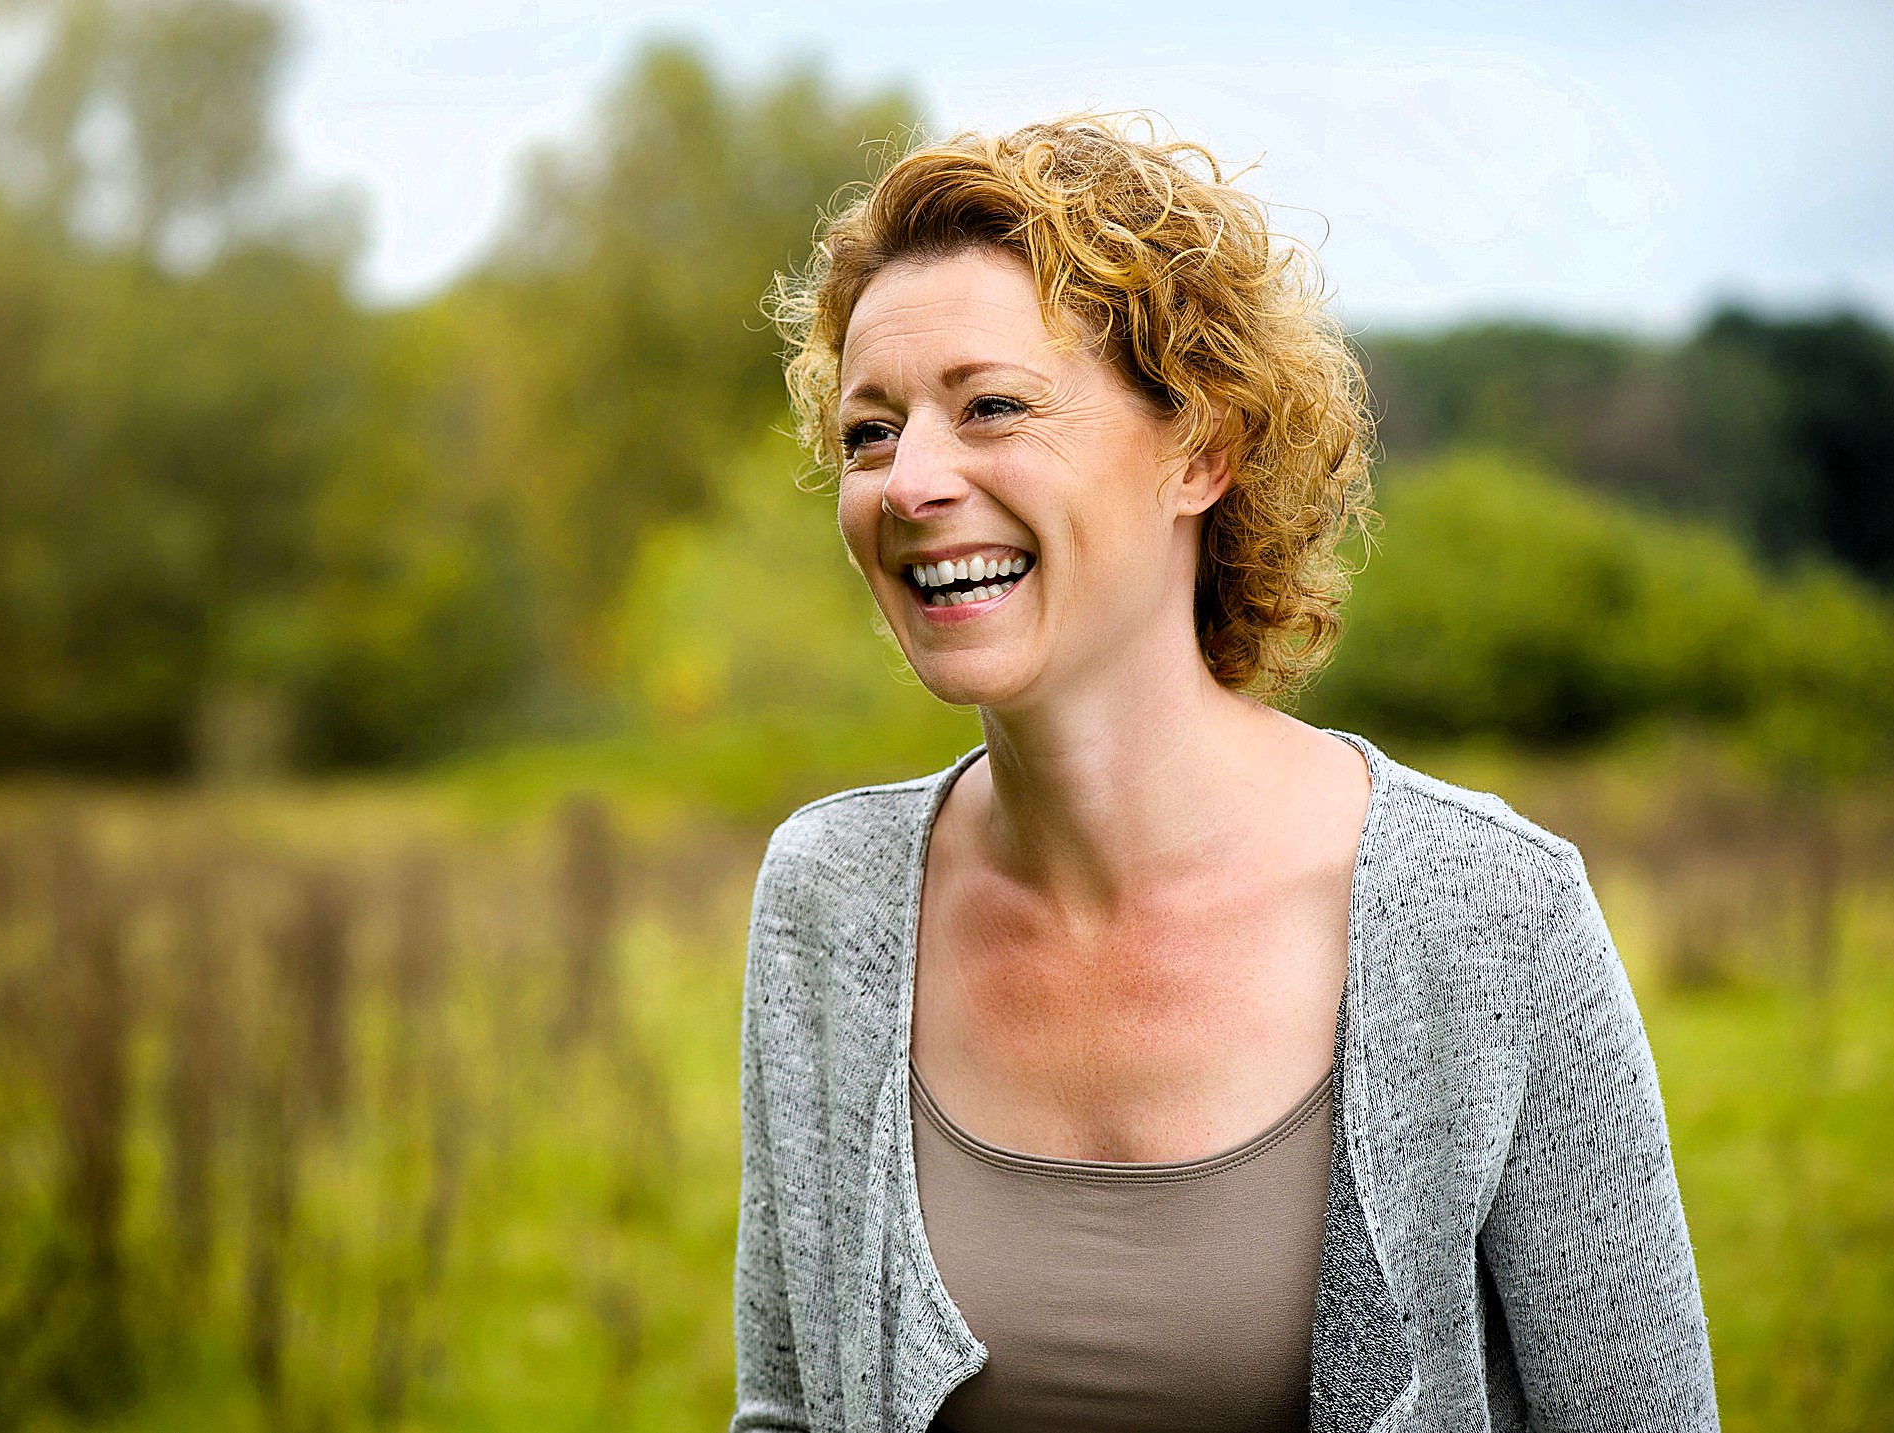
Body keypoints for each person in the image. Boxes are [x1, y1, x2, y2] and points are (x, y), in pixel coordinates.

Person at [734, 116, 1717, 1432]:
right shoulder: (828, 902)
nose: (910, 481)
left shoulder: (1494, 915)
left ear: (1201, 449)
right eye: (869, 433)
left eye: (993, 408)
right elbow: (788, 1413)